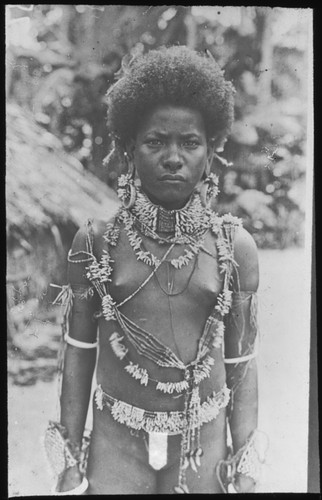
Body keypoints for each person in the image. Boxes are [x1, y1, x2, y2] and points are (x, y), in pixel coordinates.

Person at [45, 45, 267, 495]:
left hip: (201, 453)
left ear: (211, 150)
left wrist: (244, 466)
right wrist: (69, 459)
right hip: (115, 452)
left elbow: (241, 364)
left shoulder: (233, 247)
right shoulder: (95, 243)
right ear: (129, 148)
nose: (172, 157)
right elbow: (78, 353)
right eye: (155, 141)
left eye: (189, 142)